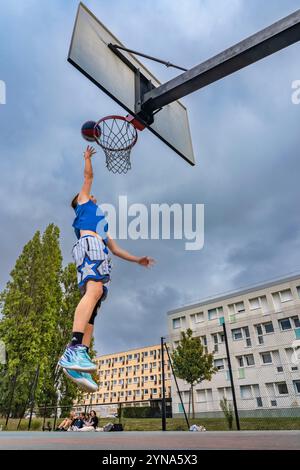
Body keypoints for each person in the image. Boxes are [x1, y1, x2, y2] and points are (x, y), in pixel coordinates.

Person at [58, 146, 154, 392]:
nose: (93, 196)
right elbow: (89, 178)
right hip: (89, 246)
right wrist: (88, 159)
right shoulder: (82, 203)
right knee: (94, 291)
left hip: (99, 251)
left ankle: (81, 360)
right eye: (90, 196)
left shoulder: (100, 223)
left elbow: (116, 249)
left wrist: (137, 260)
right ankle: (73, 349)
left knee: (95, 305)